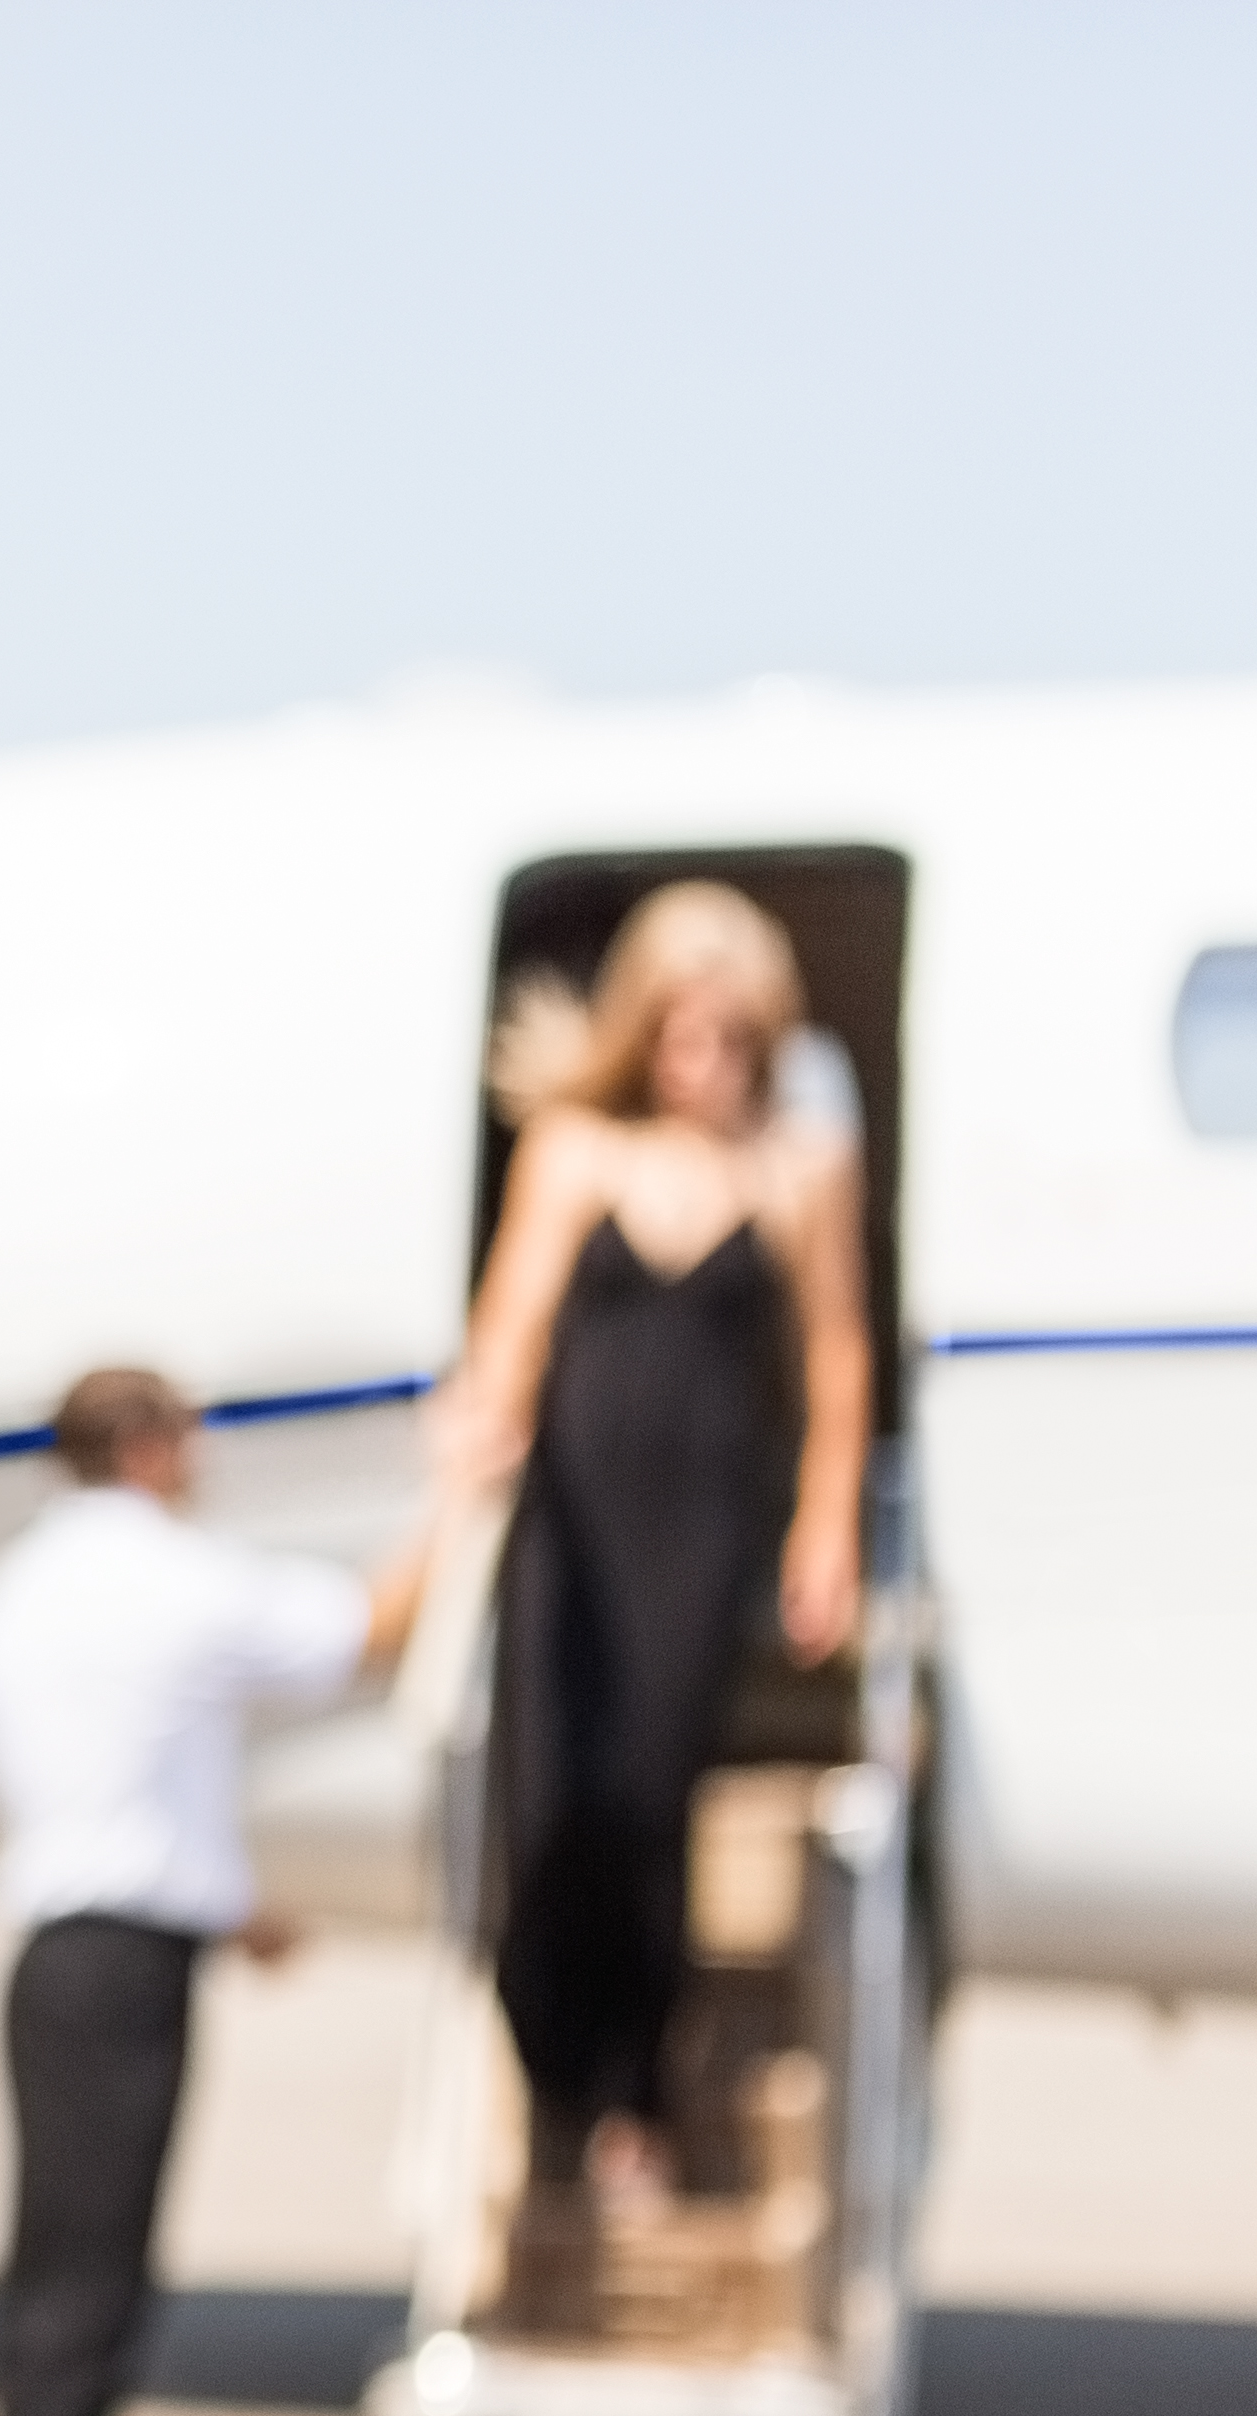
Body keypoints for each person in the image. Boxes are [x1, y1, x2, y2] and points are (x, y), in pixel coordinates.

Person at [0, 1370, 429, 2416]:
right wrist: (470, 1483)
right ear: (155, 1448)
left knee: (59, 2265)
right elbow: (369, 1630)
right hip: (122, 1974)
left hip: (54, 1955)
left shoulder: (16, 1592)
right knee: (93, 2284)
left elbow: (114, 1802)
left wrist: (231, 1907)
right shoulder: (171, 1580)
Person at [459, 881, 875, 2217]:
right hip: (568, 1521)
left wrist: (826, 1527)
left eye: (734, 1040)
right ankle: (551, 2079)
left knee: (648, 1800)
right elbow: (513, 1323)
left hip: (696, 1520)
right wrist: (481, 1429)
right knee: (548, 1799)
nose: (708, 1065)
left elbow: (836, 1356)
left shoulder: (802, 1163)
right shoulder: (577, 1148)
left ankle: (635, 2093)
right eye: (685, 1036)